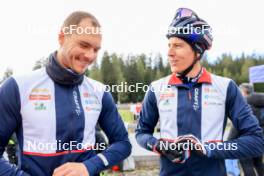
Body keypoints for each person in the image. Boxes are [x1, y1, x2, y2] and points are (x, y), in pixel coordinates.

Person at [0, 11, 131, 176]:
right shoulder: (17, 87)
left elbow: (123, 143)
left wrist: (89, 166)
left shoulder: (99, 92)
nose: (90, 55)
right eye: (83, 45)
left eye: (96, 49)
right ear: (62, 37)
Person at [135, 7, 264, 176]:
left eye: (178, 46)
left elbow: (256, 141)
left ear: (197, 50)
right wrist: (159, 145)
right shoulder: (156, 88)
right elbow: (141, 133)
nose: (169, 53)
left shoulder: (225, 87)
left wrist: (209, 149)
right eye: (169, 45)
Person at [228, 83, 264, 176]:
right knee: (258, 163)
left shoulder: (243, 105)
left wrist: (229, 141)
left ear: (244, 92)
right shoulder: (260, 106)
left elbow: (236, 127)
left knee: (247, 164)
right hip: (259, 139)